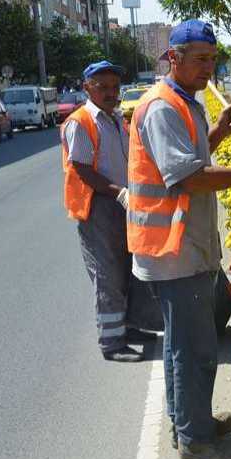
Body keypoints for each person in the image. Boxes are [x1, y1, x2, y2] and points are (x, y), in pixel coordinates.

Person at [127, 19, 231, 459]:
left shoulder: (184, 102)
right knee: (194, 349)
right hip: (174, 249)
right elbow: (187, 177)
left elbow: (191, 158)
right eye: (199, 59)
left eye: (213, 60)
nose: (208, 68)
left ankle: (186, 422)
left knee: (182, 344)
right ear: (172, 58)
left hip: (180, 246)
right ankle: (196, 440)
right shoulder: (162, 107)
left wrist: (219, 130)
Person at [61, 60, 159, 363]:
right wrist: (118, 192)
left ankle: (129, 326)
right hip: (98, 206)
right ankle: (112, 342)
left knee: (128, 267)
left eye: (115, 87)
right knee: (108, 274)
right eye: (102, 87)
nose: (110, 92)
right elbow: (81, 169)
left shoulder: (115, 118)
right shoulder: (81, 122)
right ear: (86, 88)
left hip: (123, 201)